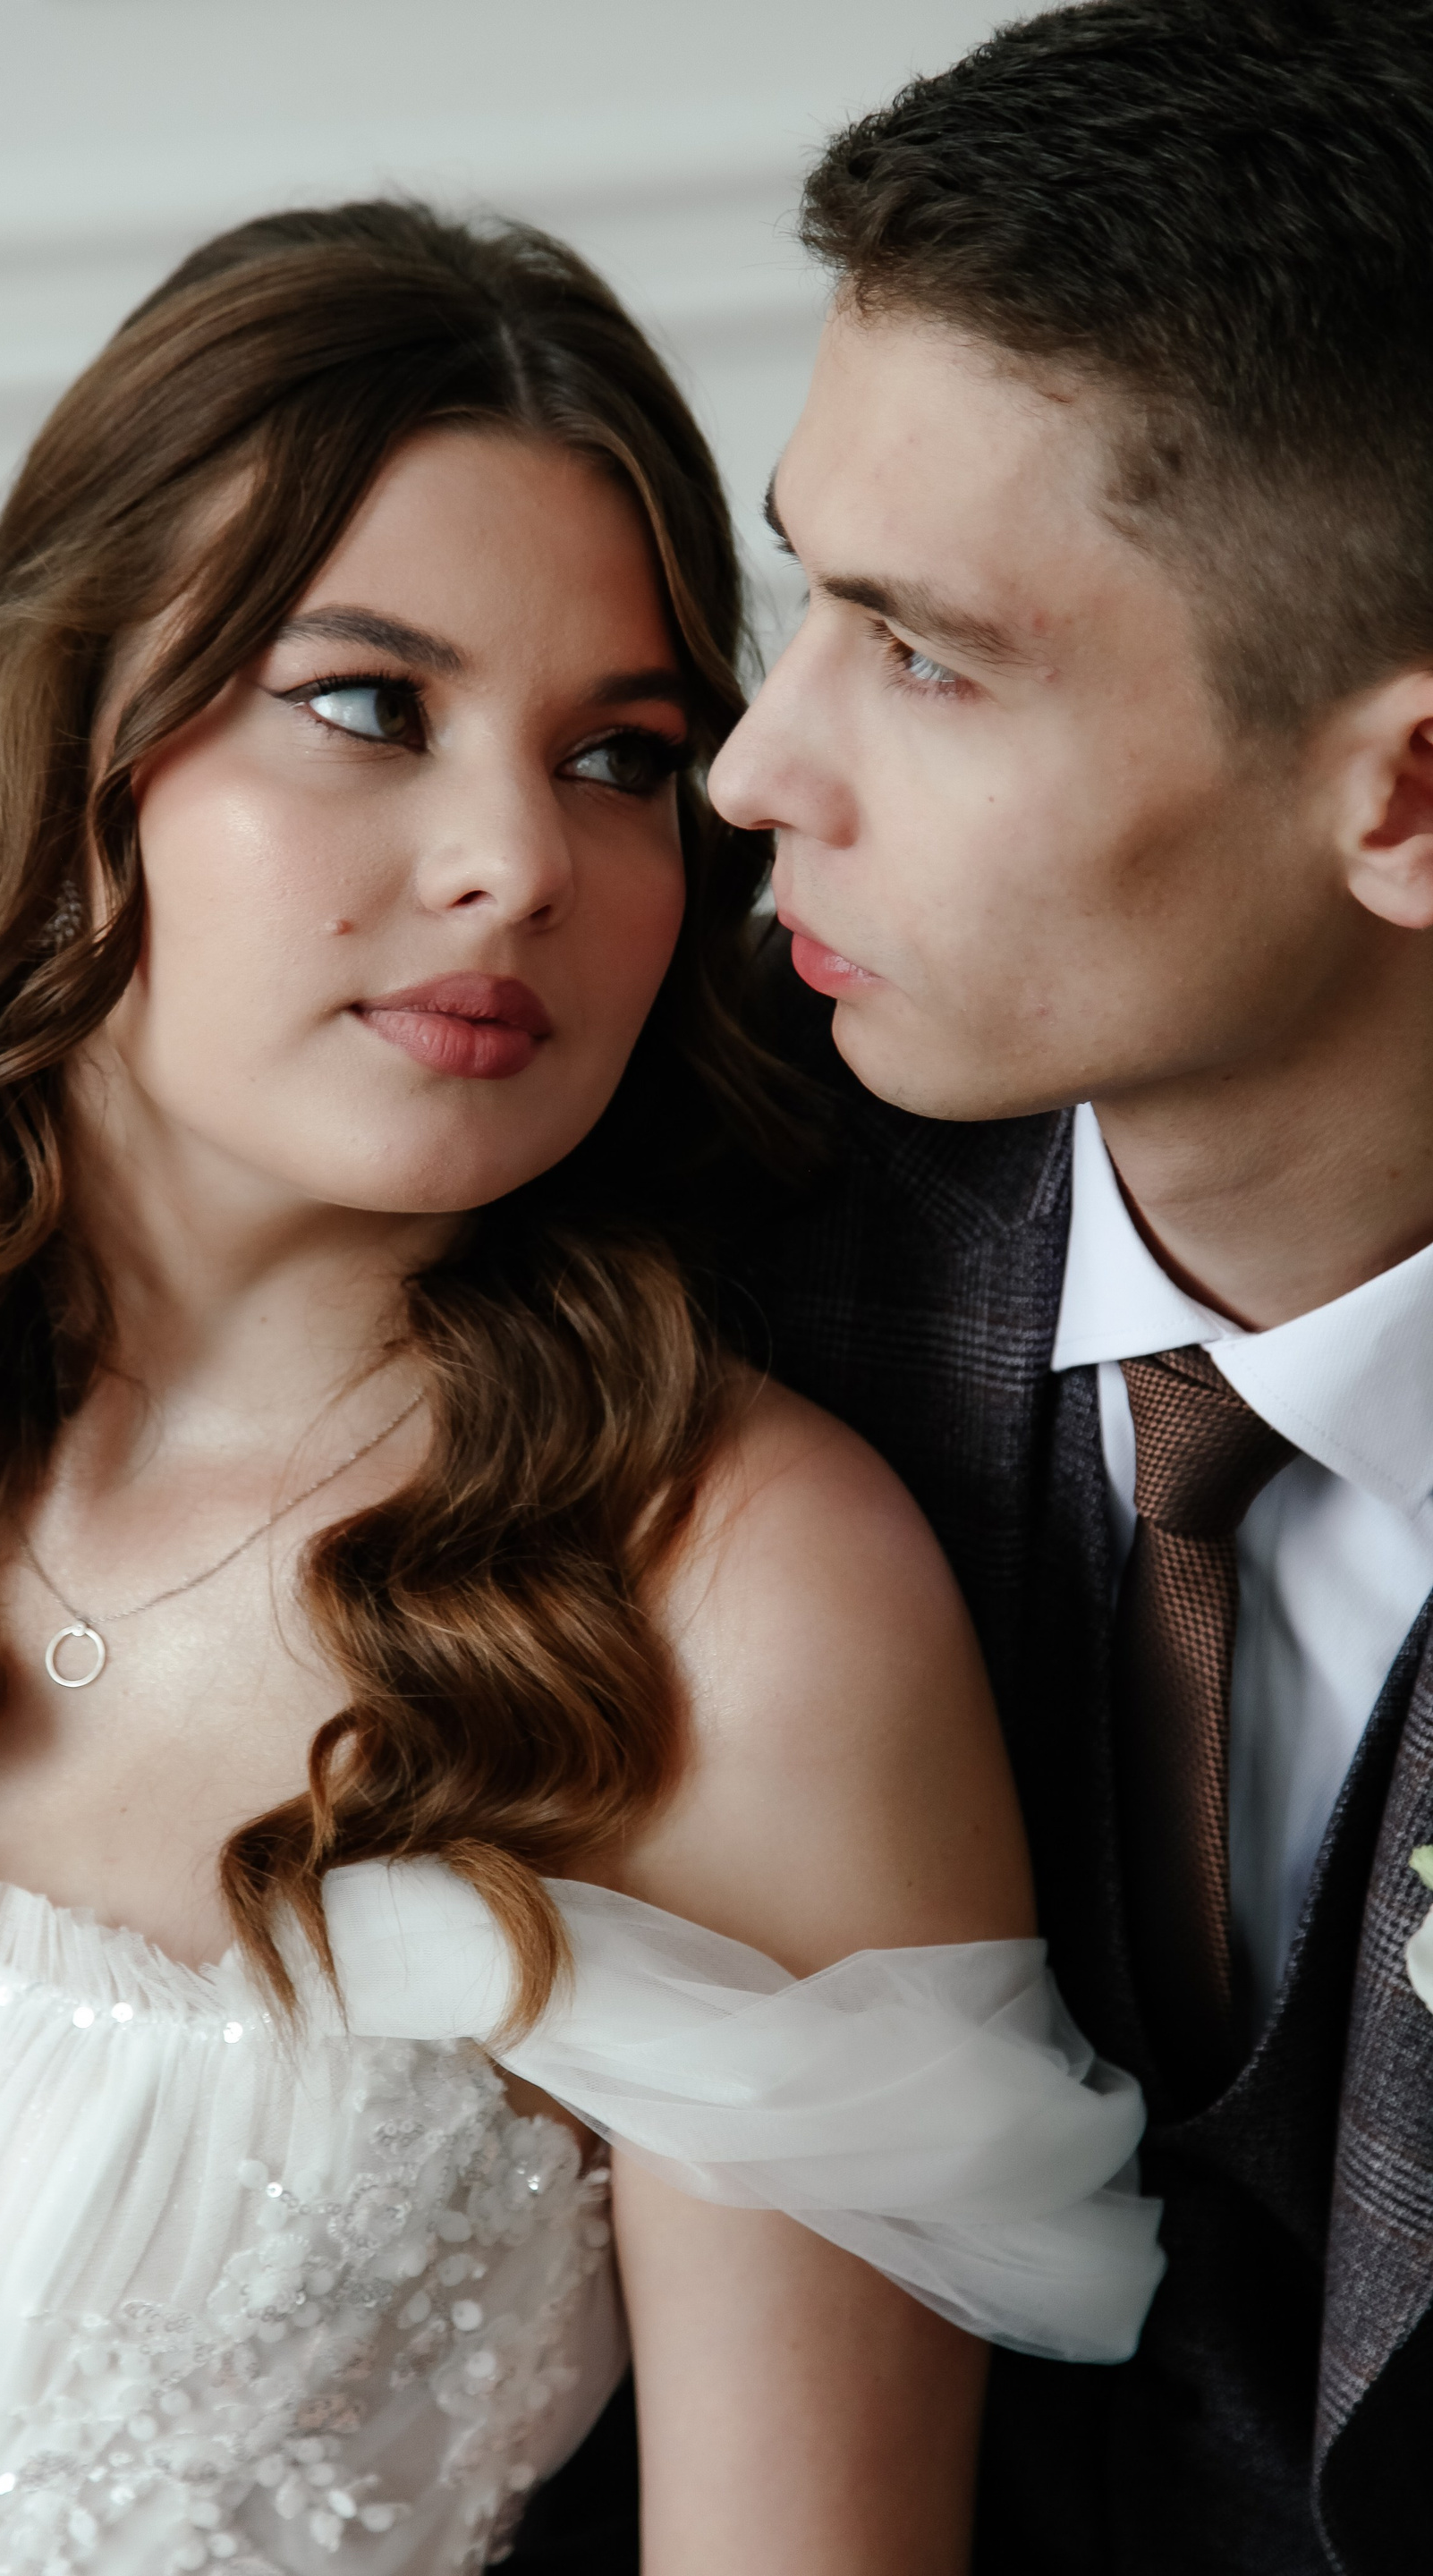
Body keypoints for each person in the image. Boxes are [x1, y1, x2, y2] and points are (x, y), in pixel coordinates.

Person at [0, 204, 1157, 2576]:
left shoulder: (728, 1607)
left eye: (620, 759)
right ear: (77, 735)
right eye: (371, 708)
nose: (518, 866)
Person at [702, 3, 1433, 2571]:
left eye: (923, 654)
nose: (750, 772)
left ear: (1411, 793)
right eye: (804, 596)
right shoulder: (675, 1178)